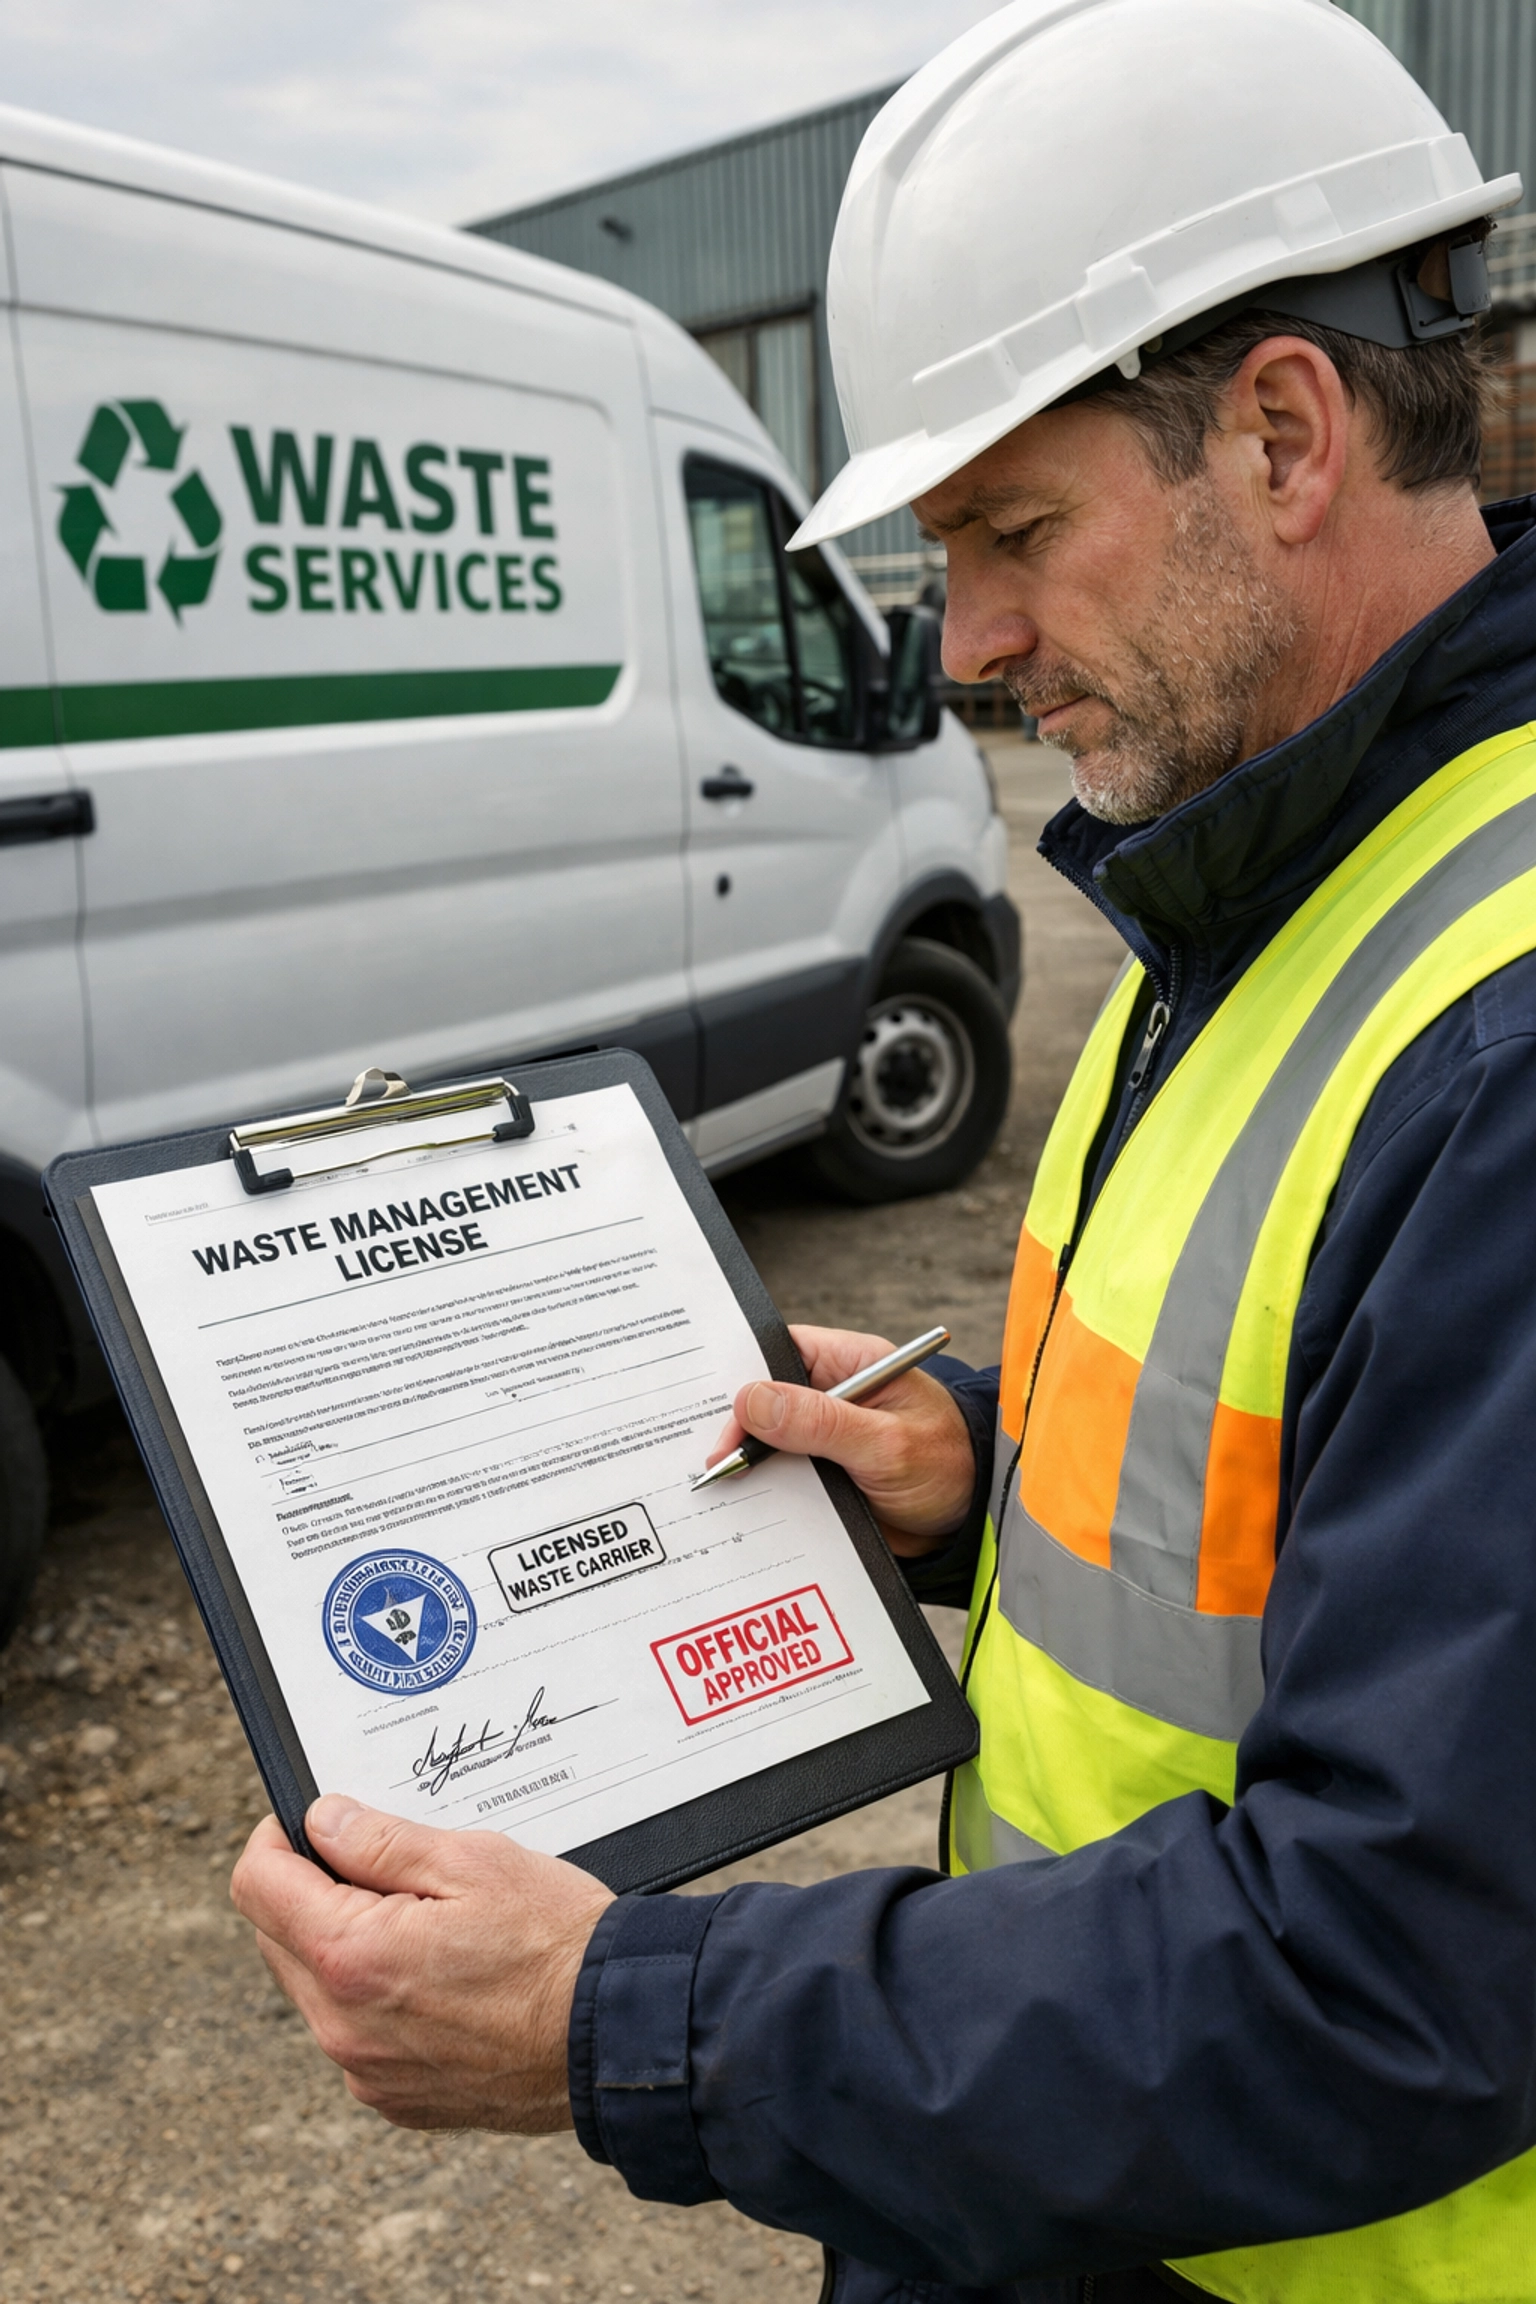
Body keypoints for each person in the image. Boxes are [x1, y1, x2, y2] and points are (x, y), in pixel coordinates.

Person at [232, 3, 1536, 2296]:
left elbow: (1397, 1970)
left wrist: (633, 2011)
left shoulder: (1505, 1031)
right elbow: (1309, 1452)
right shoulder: (1283, 864)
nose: (970, 643)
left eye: (1015, 529)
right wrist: (971, 1453)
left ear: (1285, 432)